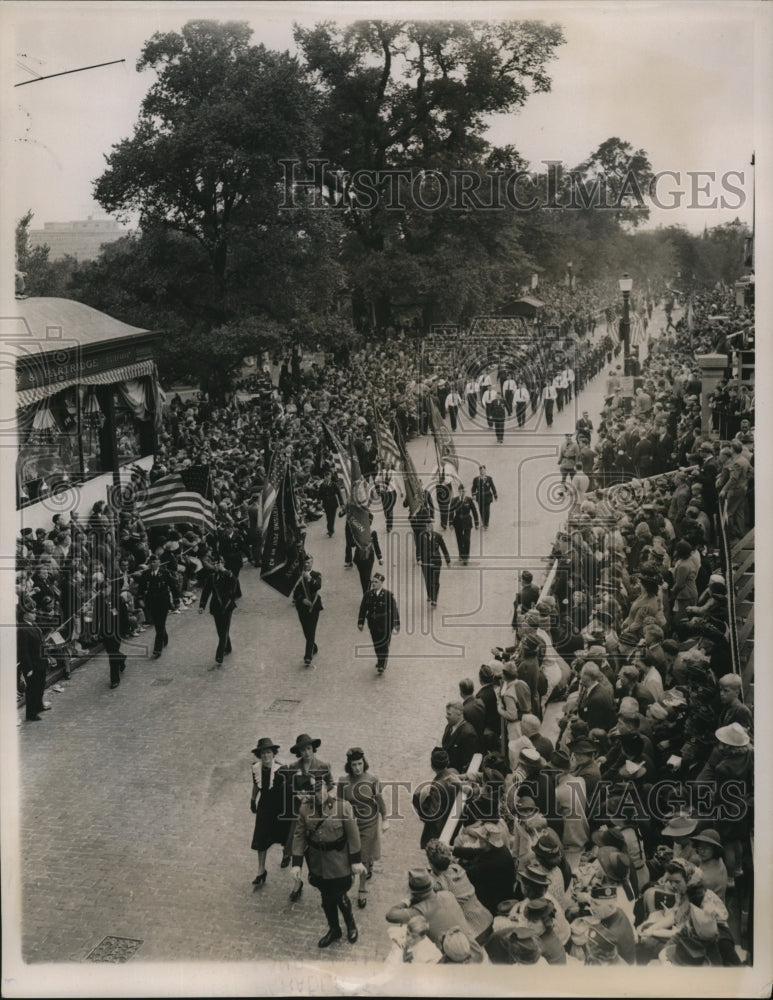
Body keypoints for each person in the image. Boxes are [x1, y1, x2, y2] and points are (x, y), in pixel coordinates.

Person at [290, 771, 365, 948]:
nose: (318, 794)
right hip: (318, 864)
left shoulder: (342, 807)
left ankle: (351, 925)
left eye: (320, 789)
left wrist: (356, 861)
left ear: (326, 787)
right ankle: (334, 930)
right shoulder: (304, 809)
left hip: (339, 863)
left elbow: (354, 836)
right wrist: (296, 864)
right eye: (313, 791)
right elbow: (299, 835)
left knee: (340, 897)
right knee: (326, 899)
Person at [280, 732, 334, 893]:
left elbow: (330, 784)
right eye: (303, 750)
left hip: (316, 811)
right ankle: (297, 882)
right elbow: (288, 786)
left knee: (316, 844)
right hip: (298, 812)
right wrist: (296, 793)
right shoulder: (294, 767)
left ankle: (322, 876)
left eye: (309, 749)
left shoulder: (323, 766)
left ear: (313, 749)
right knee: (296, 845)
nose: (307, 753)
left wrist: (321, 791)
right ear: (299, 752)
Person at [336, 747, 388, 909]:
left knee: (363, 855)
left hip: (369, 822)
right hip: (352, 823)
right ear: (349, 765)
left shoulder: (373, 780)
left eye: (359, 764)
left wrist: (385, 819)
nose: (357, 768)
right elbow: (339, 804)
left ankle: (362, 888)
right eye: (353, 765)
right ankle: (348, 882)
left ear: (363, 763)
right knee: (349, 853)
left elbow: (380, 802)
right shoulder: (343, 782)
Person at [385, 869, 475, 948]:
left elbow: (390, 915)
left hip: (453, 959)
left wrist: (406, 901)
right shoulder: (448, 894)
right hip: (474, 947)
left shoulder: (420, 910)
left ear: (415, 894)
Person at [249, 737, 289, 887]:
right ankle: (261, 870)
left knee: (283, 834)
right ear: (260, 755)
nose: (266, 756)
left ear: (273, 754)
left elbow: (288, 790)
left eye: (268, 752)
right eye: (263, 753)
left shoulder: (281, 769)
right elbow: (256, 784)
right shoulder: (255, 768)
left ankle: (286, 853)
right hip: (265, 806)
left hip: (279, 806)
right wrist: (253, 799)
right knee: (261, 836)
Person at [136, 553, 180, 659]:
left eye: (156, 562)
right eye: (152, 562)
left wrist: (176, 600)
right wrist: (140, 599)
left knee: (160, 624)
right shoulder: (146, 574)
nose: (154, 564)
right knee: (157, 624)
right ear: (150, 563)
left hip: (163, 601)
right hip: (151, 602)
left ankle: (157, 649)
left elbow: (173, 586)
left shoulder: (165, 573)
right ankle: (164, 636)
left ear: (159, 562)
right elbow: (141, 588)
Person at [17, 598, 53, 721]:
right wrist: (28, 668)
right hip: (33, 665)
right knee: (32, 689)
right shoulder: (22, 629)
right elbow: (23, 651)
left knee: (41, 685)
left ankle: (39, 706)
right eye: (32, 612)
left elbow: (40, 642)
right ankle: (31, 713)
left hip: (41, 661)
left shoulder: (34, 625)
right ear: (25, 615)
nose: (34, 614)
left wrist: (46, 657)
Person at [198, 555, 238, 666]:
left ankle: (219, 655)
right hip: (216, 607)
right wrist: (202, 605)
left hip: (226, 606)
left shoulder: (229, 575)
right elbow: (206, 591)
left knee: (223, 630)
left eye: (218, 563)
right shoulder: (212, 577)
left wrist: (224, 571)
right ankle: (228, 646)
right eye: (214, 563)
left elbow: (234, 585)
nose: (216, 565)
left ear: (223, 564)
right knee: (221, 630)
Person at [357, 572, 400, 674]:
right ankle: (380, 659)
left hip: (385, 623)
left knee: (384, 643)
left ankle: (382, 663)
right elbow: (363, 609)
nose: (373, 584)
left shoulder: (388, 595)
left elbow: (394, 609)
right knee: (376, 643)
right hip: (373, 623)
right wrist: (361, 622)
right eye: (373, 582)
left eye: (376, 582)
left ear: (381, 583)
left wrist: (396, 623)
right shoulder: (368, 595)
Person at [90, 572, 127, 689]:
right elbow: (96, 617)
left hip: (116, 631)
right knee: (111, 653)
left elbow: (124, 616)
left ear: (110, 587)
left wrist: (125, 630)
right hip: (105, 631)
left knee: (112, 656)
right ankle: (121, 658)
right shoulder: (98, 600)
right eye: (102, 589)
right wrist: (95, 631)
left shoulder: (118, 599)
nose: (104, 591)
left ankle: (114, 679)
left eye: (106, 588)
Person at [292, 553, 323, 666]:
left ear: (312, 563)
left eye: (309, 562)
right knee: (306, 630)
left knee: (311, 630)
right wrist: (302, 600)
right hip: (302, 607)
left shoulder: (316, 575)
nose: (307, 564)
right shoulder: (298, 576)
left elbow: (317, 586)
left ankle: (308, 656)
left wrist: (309, 578)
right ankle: (313, 646)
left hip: (314, 606)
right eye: (305, 563)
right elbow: (295, 594)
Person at [441, 701, 480, 772]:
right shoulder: (449, 726)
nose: (446, 716)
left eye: (449, 714)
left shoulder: (469, 734)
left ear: (459, 714)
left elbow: (467, 763)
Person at [418, 524, 451, 606]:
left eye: (430, 527)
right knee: (428, 580)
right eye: (427, 527)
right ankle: (430, 594)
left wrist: (448, 561)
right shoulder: (422, 536)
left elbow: (444, 548)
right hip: (425, 562)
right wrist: (419, 559)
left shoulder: (438, 536)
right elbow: (419, 548)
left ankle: (434, 599)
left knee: (435, 580)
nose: (428, 529)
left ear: (432, 527)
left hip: (436, 562)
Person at [353, 515, 383, 595]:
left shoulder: (372, 532)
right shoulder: (358, 530)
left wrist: (380, 557)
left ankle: (366, 594)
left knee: (366, 577)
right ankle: (366, 592)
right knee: (363, 577)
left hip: (369, 557)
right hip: (359, 557)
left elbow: (376, 544)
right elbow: (352, 544)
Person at [449, 484, 479, 565]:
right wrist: (451, 523)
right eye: (461, 491)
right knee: (459, 539)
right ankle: (461, 555)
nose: (462, 492)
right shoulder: (454, 500)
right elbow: (451, 511)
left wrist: (476, 522)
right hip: (457, 521)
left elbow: (474, 511)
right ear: (458, 491)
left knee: (467, 539)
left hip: (467, 521)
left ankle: (466, 557)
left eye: (464, 491)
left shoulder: (469, 500)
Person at [472, 466, 497, 530]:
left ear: (485, 471)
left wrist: (495, 495)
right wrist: (474, 495)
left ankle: (486, 524)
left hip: (487, 497)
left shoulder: (489, 478)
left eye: (483, 470)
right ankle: (483, 521)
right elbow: (473, 488)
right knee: (481, 510)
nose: (482, 472)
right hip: (480, 497)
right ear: (479, 471)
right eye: (481, 470)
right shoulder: (476, 479)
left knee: (487, 510)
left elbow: (493, 487)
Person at [319, 469, 343, 537]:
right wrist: (318, 502)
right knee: (328, 517)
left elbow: (339, 494)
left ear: (330, 477)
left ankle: (331, 530)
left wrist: (341, 503)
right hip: (326, 503)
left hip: (333, 503)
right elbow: (319, 494)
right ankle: (330, 529)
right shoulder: (322, 485)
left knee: (332, 517)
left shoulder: (334, 484)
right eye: (325, 477)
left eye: (328, 476)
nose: (327, 478)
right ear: (324, 477)